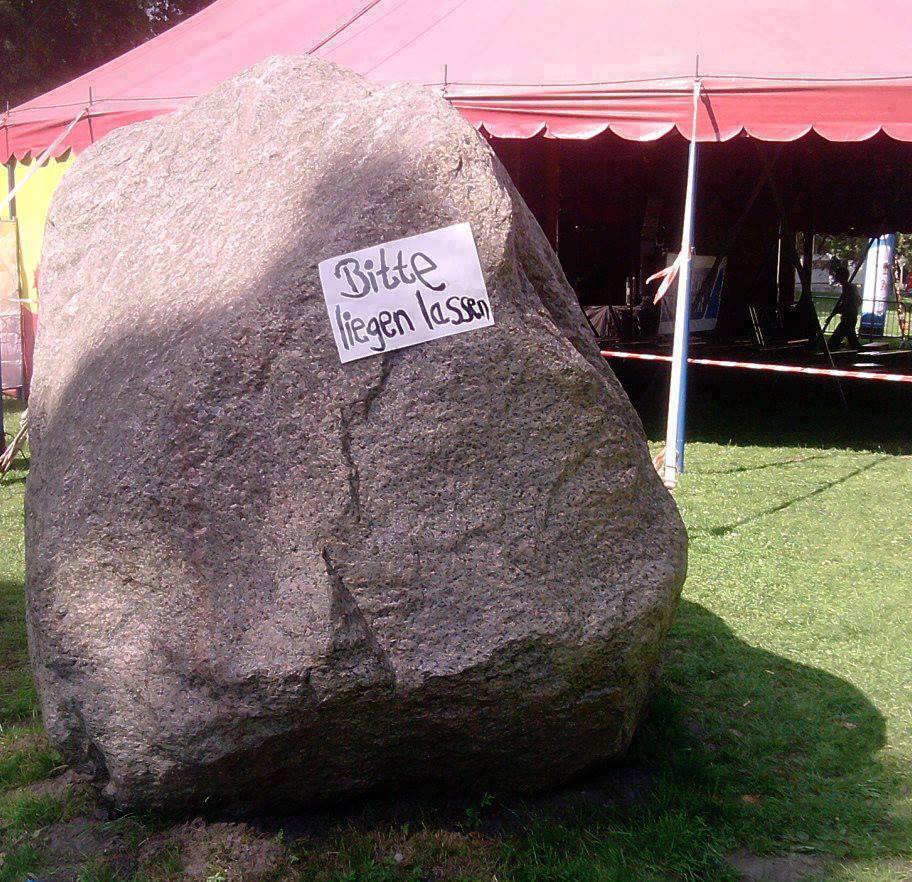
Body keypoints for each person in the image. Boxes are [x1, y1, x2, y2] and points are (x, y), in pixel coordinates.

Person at [827, 263, 861, 350]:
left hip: (848, 319)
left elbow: (847, 305)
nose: (836, 276)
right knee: (852, 340)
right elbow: (857, 301)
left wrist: (836, 312)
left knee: (833, 342)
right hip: (850, 318)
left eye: (837, 275)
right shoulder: (849, 287)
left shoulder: (849, 288)